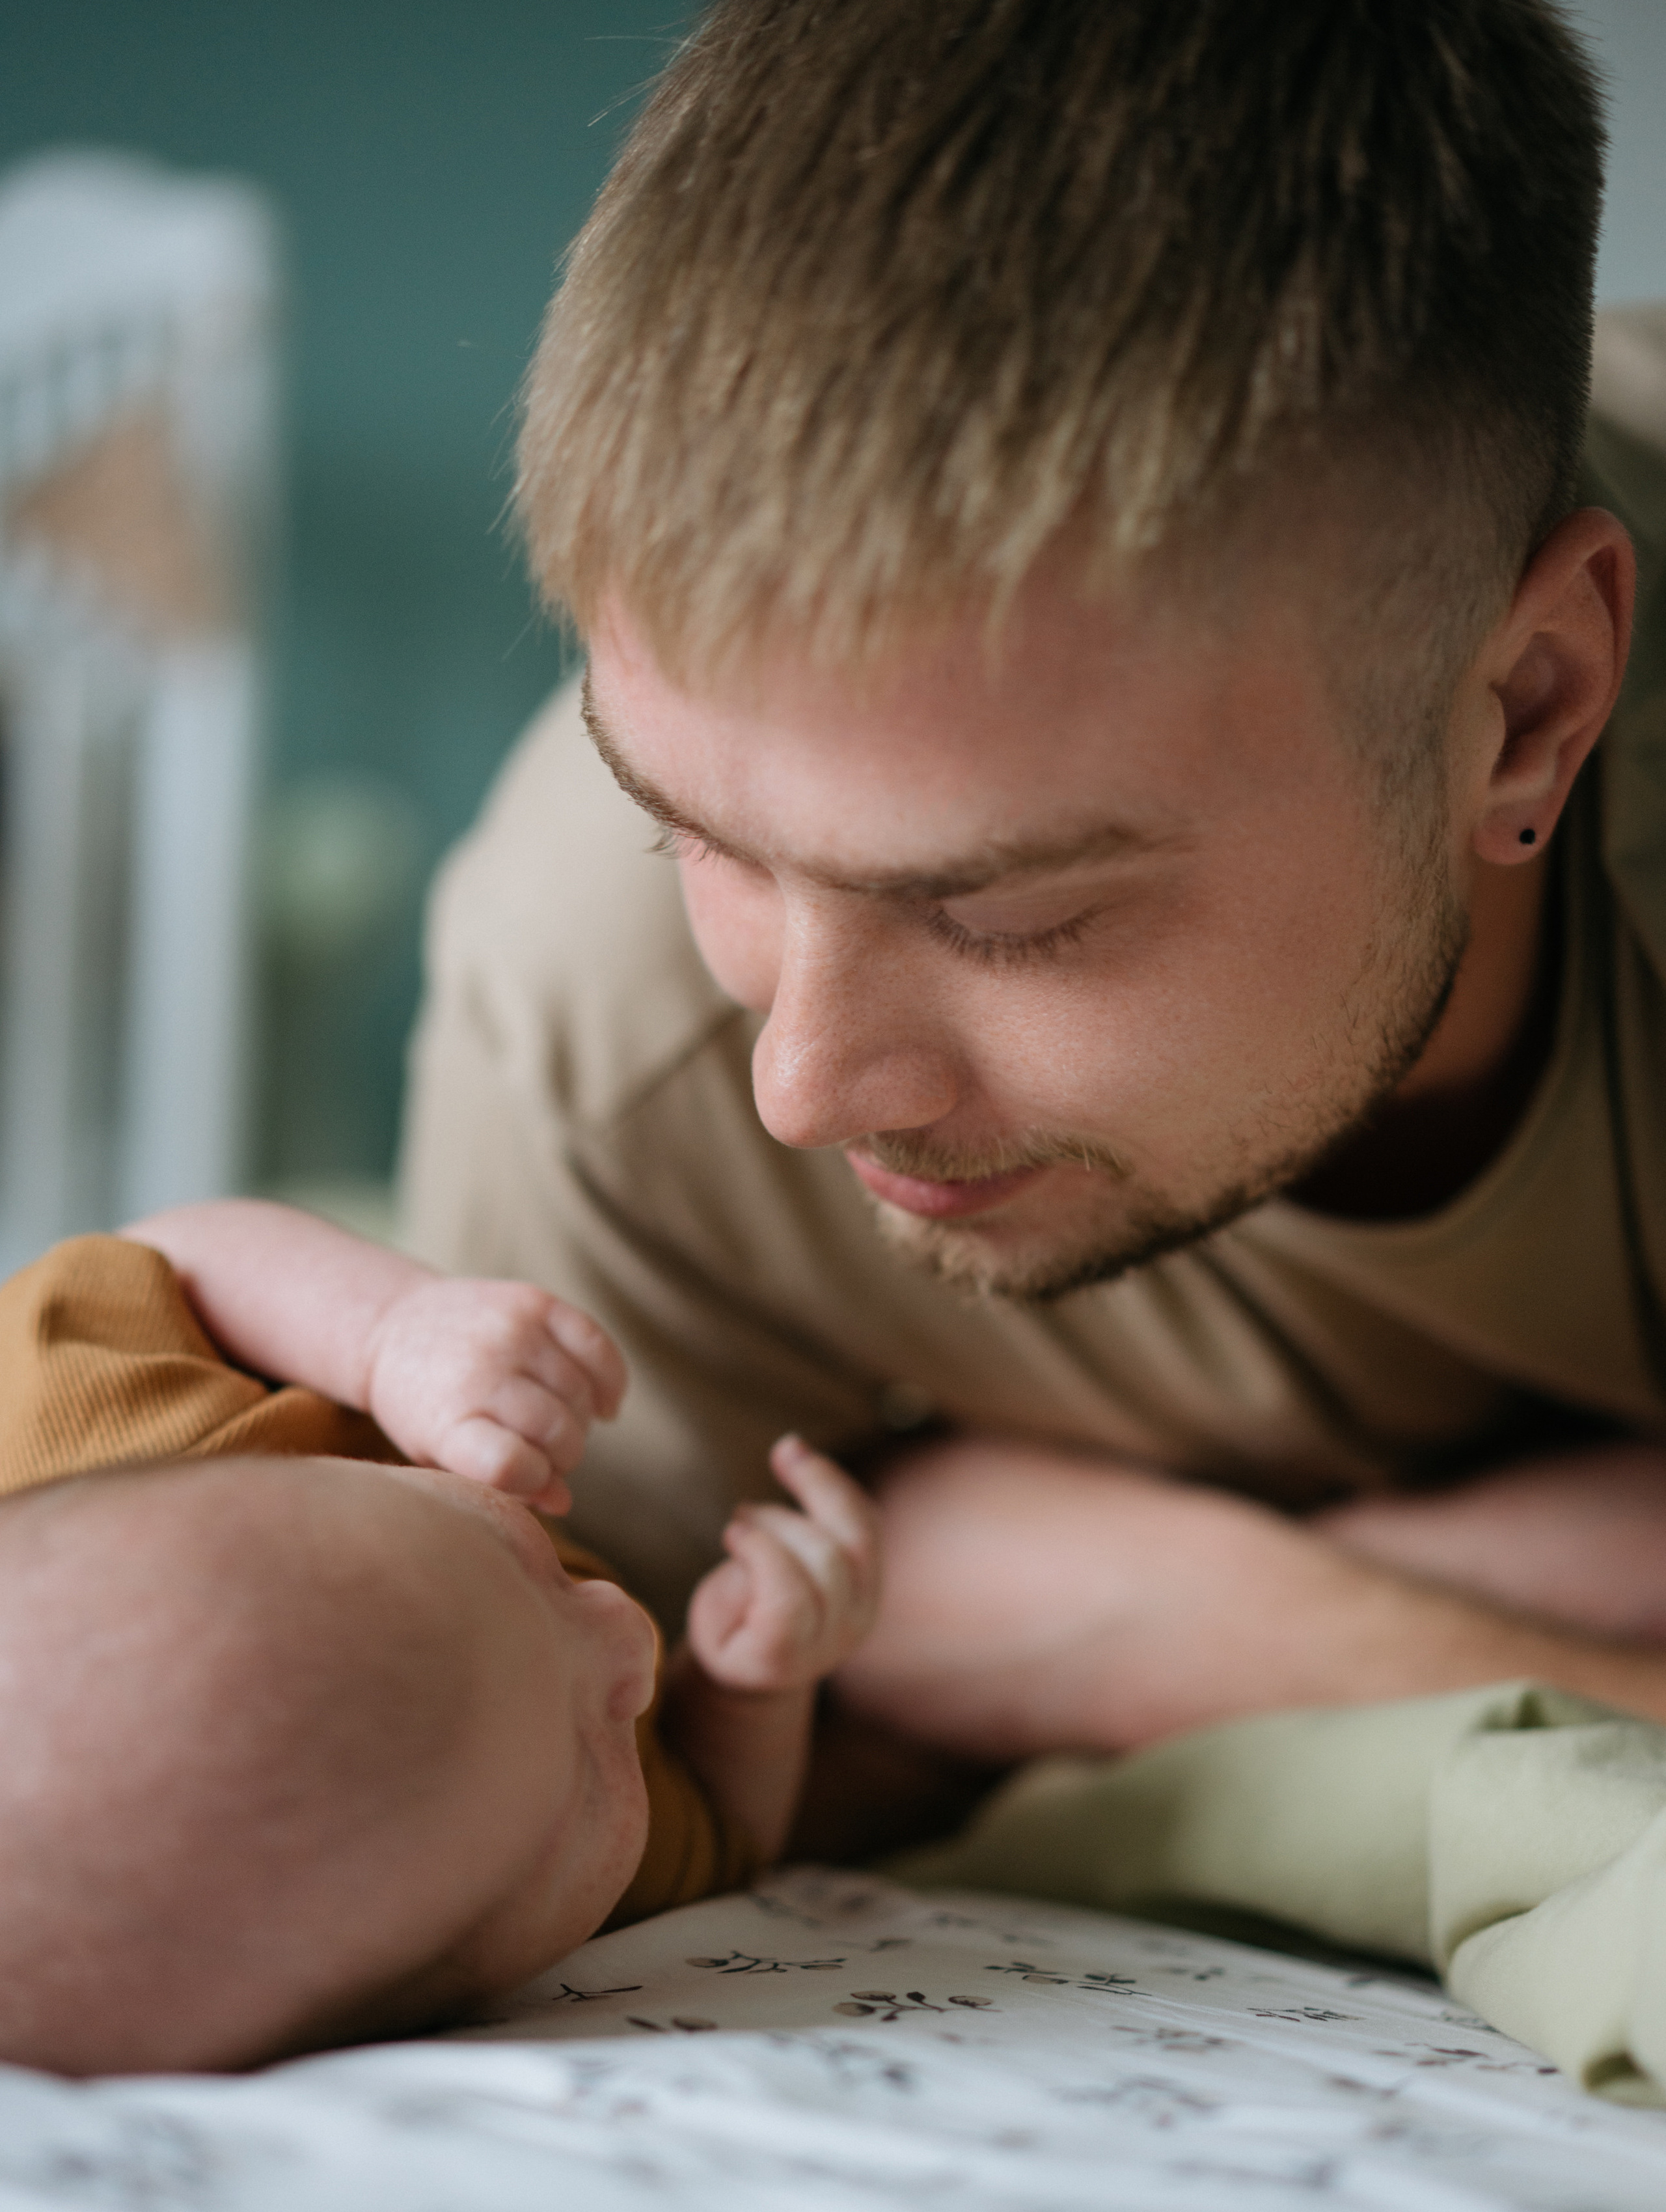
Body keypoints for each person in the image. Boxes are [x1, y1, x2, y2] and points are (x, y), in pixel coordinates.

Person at [402, 0, 1666, 1784]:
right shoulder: (599, 1005)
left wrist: (1226, 1630)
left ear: (1527, 711)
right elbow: (582, 1801)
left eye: (1007, 916)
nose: (803, 1088)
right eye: (693, 827)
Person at [0, 1206, 877, 2072]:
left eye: (516, 1554)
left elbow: (163, 1255)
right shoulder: (581, 1888)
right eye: (593, 1765)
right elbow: (727, 1836)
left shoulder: (93, 1407)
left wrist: (389, 1330)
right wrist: (747, 1691)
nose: (629, 1638)